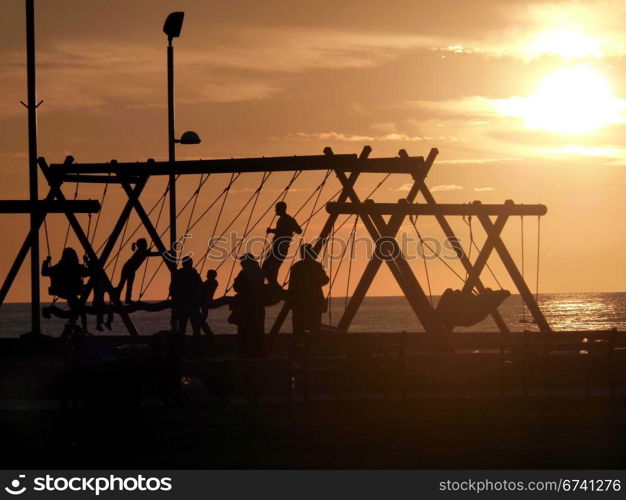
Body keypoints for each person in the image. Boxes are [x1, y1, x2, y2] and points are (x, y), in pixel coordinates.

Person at [41, 247, 89, 333]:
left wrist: (46, 262)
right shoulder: (76, 267)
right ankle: (84, 330)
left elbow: (44, 272)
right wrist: (87, 261)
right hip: (71, 291)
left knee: (77, 311)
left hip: (61, 291)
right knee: (80, 312)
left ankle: (52, 310)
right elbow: (89, 272)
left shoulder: (59, 267)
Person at [288, 244, 329, 337]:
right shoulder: (317, 266)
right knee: (315, 328)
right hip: (314, 302)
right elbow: (323, 280)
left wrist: (291, 301)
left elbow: (292, 285)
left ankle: (299, 347)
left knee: (298, 330)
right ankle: (313, 348)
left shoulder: (296, 267)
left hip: (299, 303)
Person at [231, 253, 266, 358]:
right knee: (258, 330)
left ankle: (246, 353)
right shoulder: (260, 272)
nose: (241, 264)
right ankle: (260, 352)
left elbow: (237, 287)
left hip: (247, 306)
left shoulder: (244, 273)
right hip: (258, 306)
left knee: (245, 330)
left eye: (242, 262)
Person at [262, 202, 302, 286]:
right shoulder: (287, 219)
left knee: (269, 266)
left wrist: (271, 230)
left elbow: (296, 231)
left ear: (281, 209)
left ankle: (270, 286)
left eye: (277, 208)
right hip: (279, 247)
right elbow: (298, 230)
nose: (275, 210)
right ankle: (271, 285)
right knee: (272, 267)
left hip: (280, 247)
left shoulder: (287, 219)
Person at [116, 238, 160, 304]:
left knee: (124, 283)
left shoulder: (141, 251)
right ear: (142, 245)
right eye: (145, 244)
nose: (147, 245)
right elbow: (147, 254)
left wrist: (148, 252)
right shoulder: (141, 251)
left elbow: (146, 253)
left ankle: (121, 298)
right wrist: (162, 253)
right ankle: (124, 298)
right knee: (127, 284)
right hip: (130, 268)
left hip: (128, 267)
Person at [169, 258, 203, 336]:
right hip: (193, 304)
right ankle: (197, 343)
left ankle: (181, 343)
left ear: (183, 264)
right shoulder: (195, 275)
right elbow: (200, 288)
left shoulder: (178, 275)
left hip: (182, 305)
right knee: (195, 326)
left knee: (182, 326)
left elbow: (173, 289)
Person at [200, 269, 219, 336]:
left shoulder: (209, 283)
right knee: (205, 313)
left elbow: (204, 289)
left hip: (205, 301)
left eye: (208, 274)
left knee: (204, 313)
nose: (207, 275)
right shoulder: (214, 282)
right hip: (207, 300)